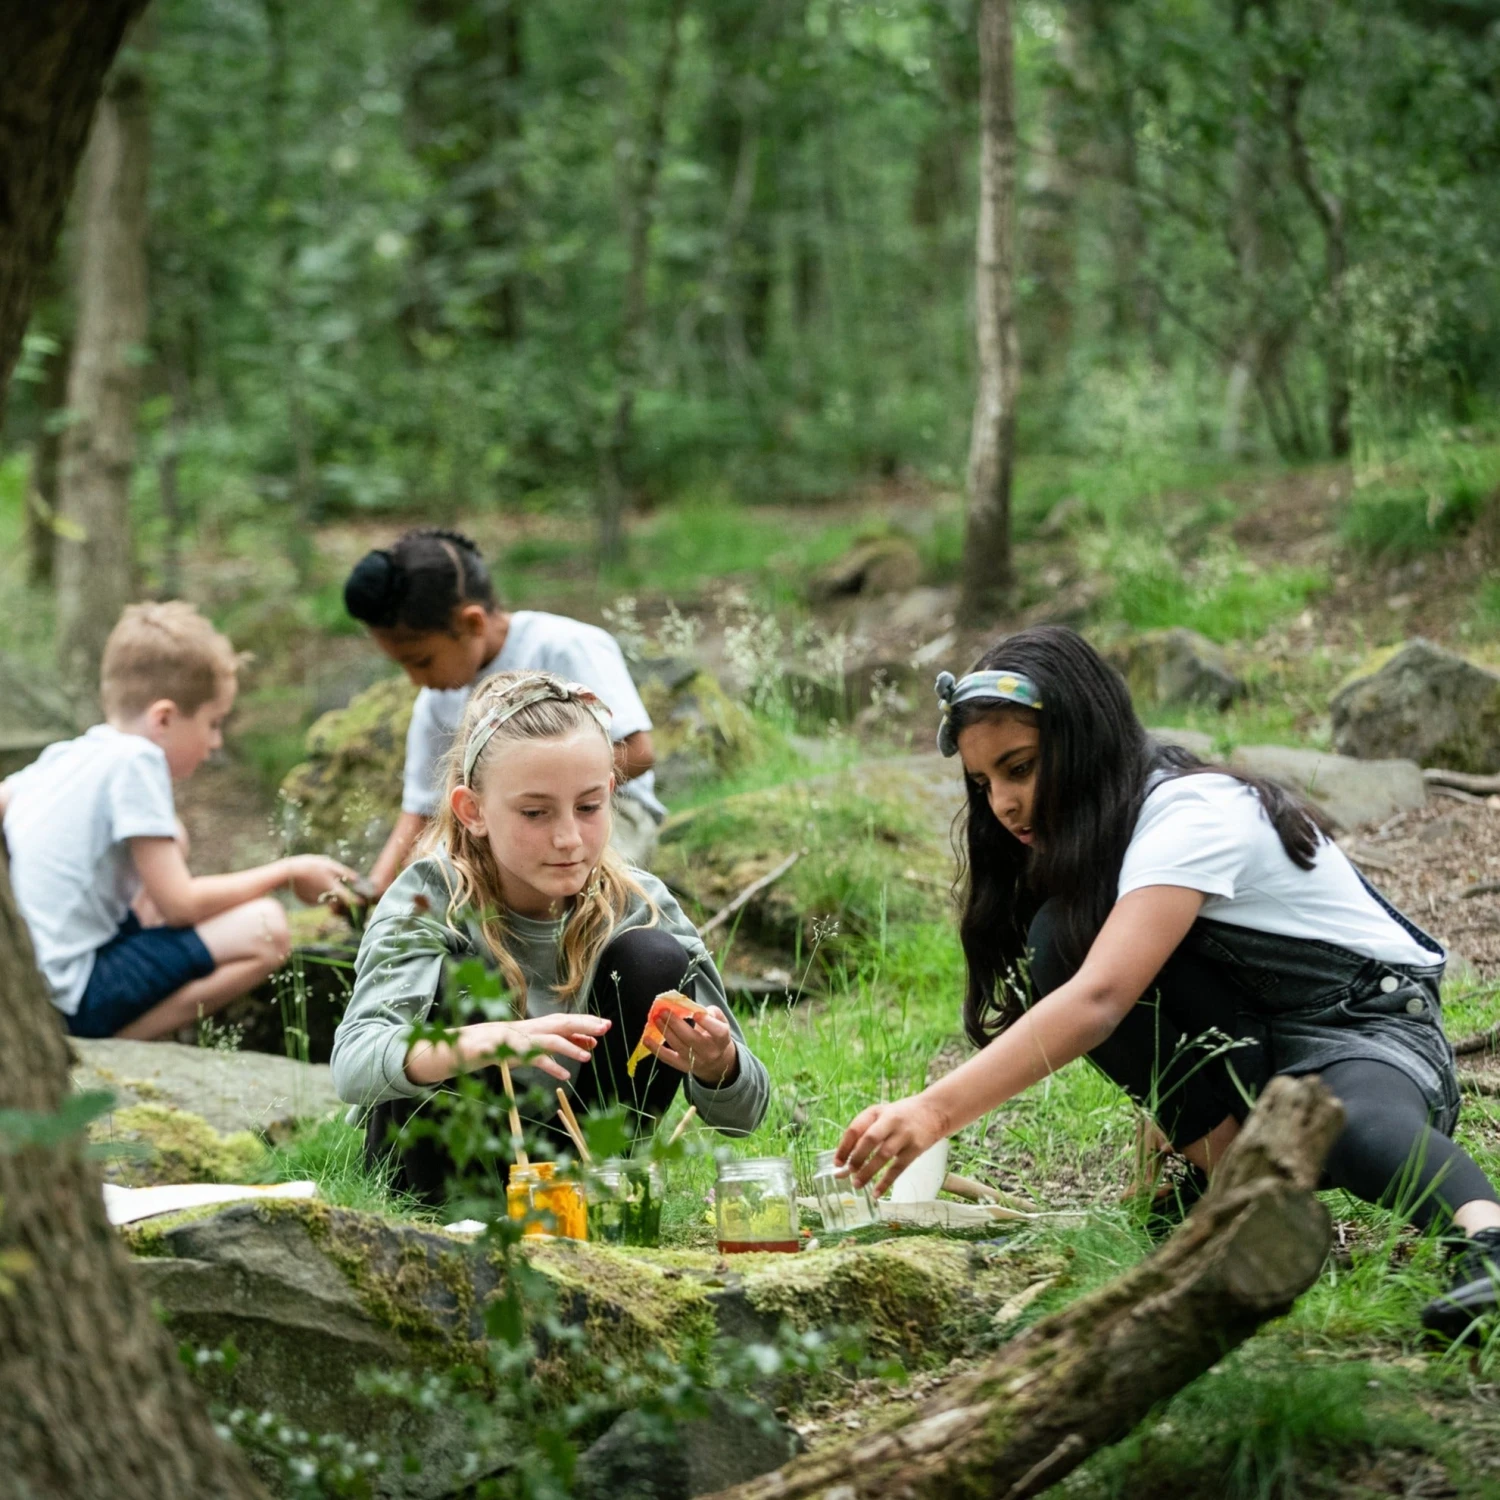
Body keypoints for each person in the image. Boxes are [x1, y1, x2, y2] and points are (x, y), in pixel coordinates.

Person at [835, 624, 1500, 1340]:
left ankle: (1485, 1241)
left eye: (1019, 768)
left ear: (1083, 740)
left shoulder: (1193, 812)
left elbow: (1101, 1000)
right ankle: (1234, 1193)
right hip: (1260, 1035)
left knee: (1347, 1123)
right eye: (982, 782)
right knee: (1059, 938)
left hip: (1368, 1023)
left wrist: (933, 1112)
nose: (1001, 803)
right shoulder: (1106, 838)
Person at [330, 670, 768, 1207]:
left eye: (588, 808)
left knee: (654, 957)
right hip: (436, 1176)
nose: (567, 839)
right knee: (466, 982)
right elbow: (353, 1063)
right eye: (535, 813)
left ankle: (598, 1199)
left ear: (611, 793)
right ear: (473, 811)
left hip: (577, 1179)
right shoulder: (428, 897)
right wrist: (485, 1041)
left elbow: (744, 1118)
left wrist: (719, 1064)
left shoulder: (641, 904)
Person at [0, 602, 356, 1040]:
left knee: (175, 839)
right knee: (267, 928)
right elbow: (180, 905)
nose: (215, 742)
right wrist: (286, 872)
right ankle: (115, 1046)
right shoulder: (138, 759)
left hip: (28, 983)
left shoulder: (66, 756)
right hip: (72, 995)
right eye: (213, 722)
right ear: (164, 718)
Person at [342, 528, 663, 891]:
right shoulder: (437, 701)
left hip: (604, 816)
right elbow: (422, 810)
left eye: (422, 661)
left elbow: (639, 751)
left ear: (472, 623)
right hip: (494, 824)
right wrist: (375, 889)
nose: (416, 679)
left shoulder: (564, 647)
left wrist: (551, 800)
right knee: (444, 883)